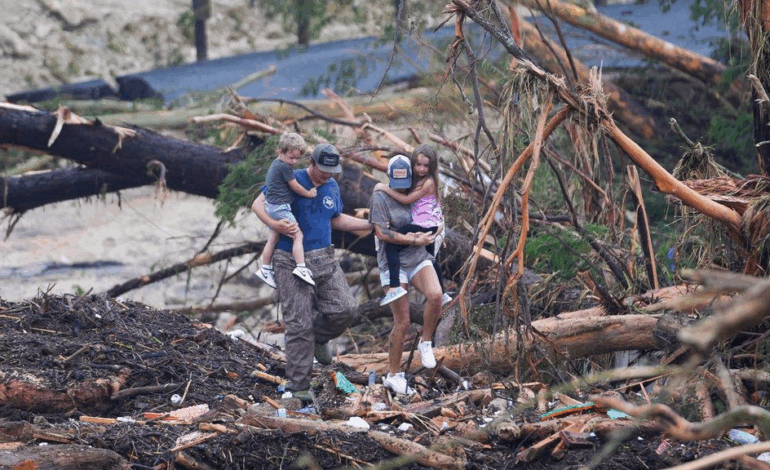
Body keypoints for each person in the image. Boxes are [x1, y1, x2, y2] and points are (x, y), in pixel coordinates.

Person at [251, 143, 372, 401]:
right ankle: (298, 387)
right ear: (312, 163)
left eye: (332, 171)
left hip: (325, 257)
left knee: (346, 309)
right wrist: (274, 224)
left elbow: (335, 218)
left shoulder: (331, 186)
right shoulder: (289, 176)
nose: (327, 175)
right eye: (323, 169)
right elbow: (257, 204)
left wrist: (368, 224)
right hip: (289, 259)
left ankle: (317, 339)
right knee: (298, 324)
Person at [369, 154, 444, 395]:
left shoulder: (418, 189)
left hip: (417, 256)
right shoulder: (380, 197)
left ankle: (426, 342)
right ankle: (394, 375)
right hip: (393, 263)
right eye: (396, 183)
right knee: (402, 321)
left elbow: (432, 212)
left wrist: (437, 227)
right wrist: (413, 238)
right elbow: (381, 232)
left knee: (435, 295)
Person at [373, 145, 452, 307]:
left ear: (432, 166)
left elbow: (406, 200)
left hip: (425, 225)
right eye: (418, 165)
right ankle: (443, 294)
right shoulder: (418, 180)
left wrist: (382, 187)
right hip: (429, 223)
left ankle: (394, 286)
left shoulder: (428, 182)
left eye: (426, 165)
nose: (422, 169)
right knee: (430, 258)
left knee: (391, 246)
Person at [255, 132, 318, 288]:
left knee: (274, 236)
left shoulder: (276, 164)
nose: (294, 162)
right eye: (291, 157)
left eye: (297, 158)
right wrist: (309, 193)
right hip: (280, 207)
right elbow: (295, 186)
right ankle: (301, 267)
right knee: (298, 235)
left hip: (270, 206)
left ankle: (265, 267)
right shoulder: (284, 167)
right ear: (280, 152)